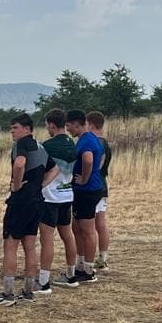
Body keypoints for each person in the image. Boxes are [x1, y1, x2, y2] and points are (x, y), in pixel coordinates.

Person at [0, 115, 55, 305]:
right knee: (30, 245)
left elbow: (19, 163)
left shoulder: (22, 144)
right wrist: (40, 185)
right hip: (37, 201)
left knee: (10, 245)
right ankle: (28, 292)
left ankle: (8, 294)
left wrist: (17, 186)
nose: (12, 131)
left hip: (20, 202)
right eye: (11, 128)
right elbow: (55, 169)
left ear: (27, 129)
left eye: (15, 127)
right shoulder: (41, 146)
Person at [38, 109, 79, 291]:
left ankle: (44, 281)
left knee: (47, 238)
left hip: (50, 196)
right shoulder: (72, 143)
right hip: (67, 194)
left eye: (47, 125)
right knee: (67, 235)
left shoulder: (47, 146)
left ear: (52, 125)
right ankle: (71, 275)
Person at [65, 110, 102, 283]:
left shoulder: (86, 140)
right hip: (86, 190)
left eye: (68, 126)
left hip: (87, 191)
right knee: (77, 228)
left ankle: (88, 269)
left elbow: (88, 160)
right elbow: (99, 159)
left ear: (76, 124)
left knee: (87, 230)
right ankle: (81, 264)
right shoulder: (92, 139)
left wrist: (84, 178)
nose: (67, 129)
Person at [87, 111, 111, 270]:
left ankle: (87, 260)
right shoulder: (105, 143)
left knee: (89, 226)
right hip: (102, 185)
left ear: (90, 124)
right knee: (101, 223)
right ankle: (103, 257)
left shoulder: (94, 143)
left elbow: (94, 165)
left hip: (92, 186)